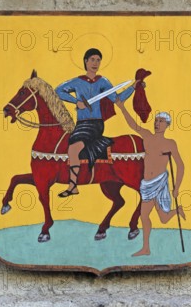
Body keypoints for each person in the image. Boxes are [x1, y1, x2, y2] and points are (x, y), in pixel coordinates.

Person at [55, 48, 133, 198]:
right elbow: (58, 91)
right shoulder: (77, 82)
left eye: (98, 60)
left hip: (96, 124)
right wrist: (76, 101)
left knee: (73, 149)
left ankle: (73, 186)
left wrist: (133, 87)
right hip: (80, 123)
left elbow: (118, 99)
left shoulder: (103, 82)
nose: (95, 63)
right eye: (92, 60)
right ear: (85, 61)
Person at [115, 95, 186, 256]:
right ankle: (146, 248)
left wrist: (177, 188)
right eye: (156, 121)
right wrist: (122, 107)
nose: (157, 123)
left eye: (161, 121)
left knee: (163, 219)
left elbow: (180, 165)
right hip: (146, 184)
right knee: (144, 215)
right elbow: (133, 125)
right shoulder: (147, 137)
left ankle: (177, 211)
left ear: (167, 125)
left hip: (160, 183)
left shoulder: (170, 144)